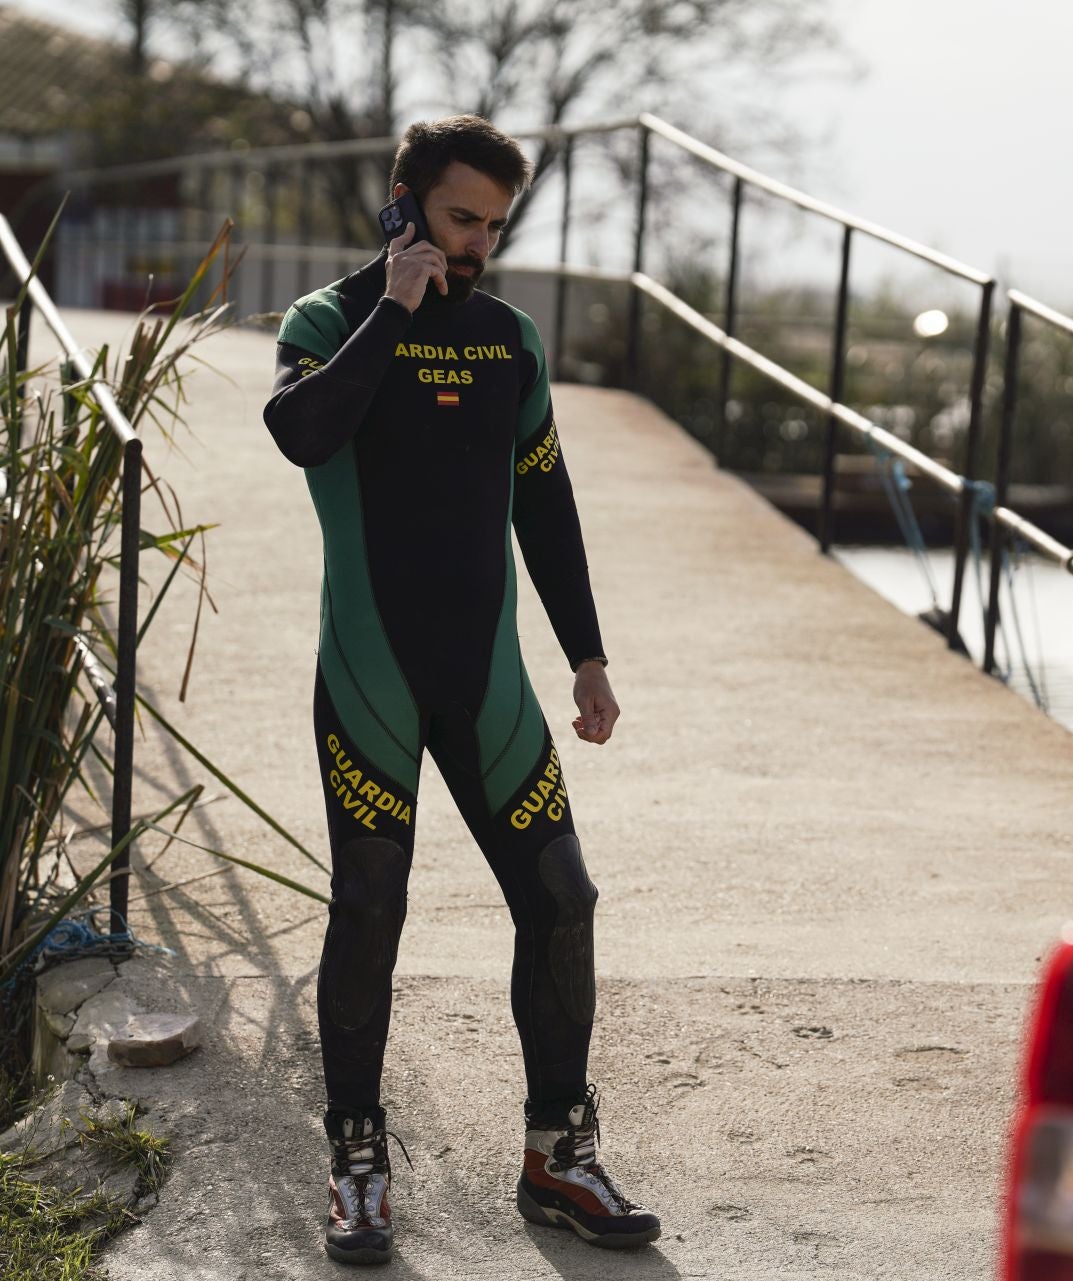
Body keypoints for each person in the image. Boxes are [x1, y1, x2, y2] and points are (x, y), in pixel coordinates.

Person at [261, 114, 661, 1263]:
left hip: (487, 685)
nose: (478, 243)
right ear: (404, 203)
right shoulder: (328, 325)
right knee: (371, 910)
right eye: (458, 218)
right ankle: (355, 1162)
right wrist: (396, 304)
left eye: (494, 223)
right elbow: (302, 432)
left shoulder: (509, 342)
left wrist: (586, 654)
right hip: (372, 678)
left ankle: (558, 1158)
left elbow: (544, 498)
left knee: (564, 900)